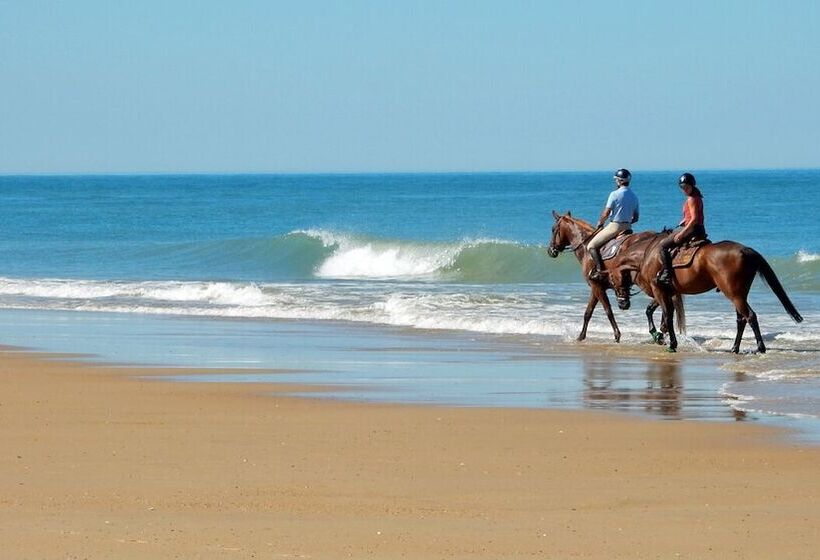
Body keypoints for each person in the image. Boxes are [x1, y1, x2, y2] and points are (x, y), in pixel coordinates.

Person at [586, 168, 640, 281]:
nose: (615, 182)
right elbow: (636, 218)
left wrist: (600, 223)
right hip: (628, 228)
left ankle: (600, 271)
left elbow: (606, 213)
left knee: (591, 246)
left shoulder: (614, 194)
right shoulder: (634, 196)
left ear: (619, 181)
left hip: (614, 227)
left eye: (616, 180)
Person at [657, 172, 706, 286]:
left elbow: (694, 219)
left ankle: (667, 274)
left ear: (692, 186)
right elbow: (691, 216)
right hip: (697, 228)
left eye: (686, 187)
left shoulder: (691, 199)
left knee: (662, 246)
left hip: (692, 229)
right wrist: (684, 221)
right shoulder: (696, 197)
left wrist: (682, 232)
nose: (684, 189)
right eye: (682, 187)